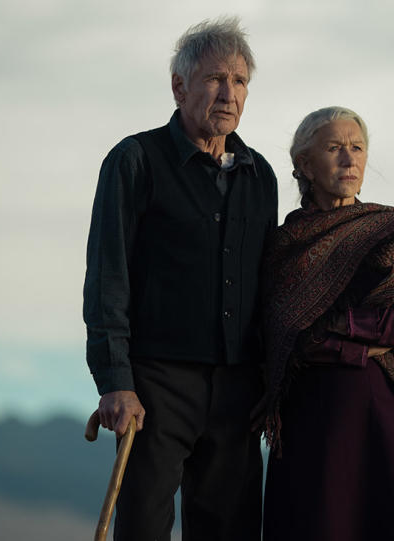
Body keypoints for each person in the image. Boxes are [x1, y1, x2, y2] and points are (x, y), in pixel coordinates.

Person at [82, 17, 277, 541]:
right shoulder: (136, 160)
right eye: (216, 78)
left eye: (240, 82)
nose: (228, 93)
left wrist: (269, 378)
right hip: (155, 385)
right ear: (179, 86)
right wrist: (116, 380)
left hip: (238, 389)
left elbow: (267, 285)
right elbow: (107, 275)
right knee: (143, 527)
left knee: (231, 531)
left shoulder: (260, 175)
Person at [260, 106, 394, 541]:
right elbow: (289, 339)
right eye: (334, 148)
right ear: (304, 165)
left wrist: (340, 326)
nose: (349, 159)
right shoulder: (282, 249)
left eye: (357, 147)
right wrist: (366, 344)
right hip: (316, 427)